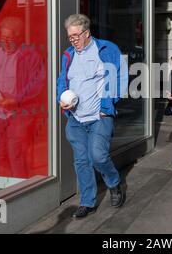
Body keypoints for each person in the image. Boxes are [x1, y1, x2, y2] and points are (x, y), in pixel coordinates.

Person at [57, 14, 128, 219]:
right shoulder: (68, 55)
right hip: (76, 120)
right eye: (70, 37)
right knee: (81, 162)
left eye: (76, 36)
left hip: (99, 116)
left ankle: (114, 183)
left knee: (98, 156)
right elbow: (62, 81)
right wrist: (60, 99)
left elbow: (120, 77)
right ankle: (87, 202)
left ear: (87, 33)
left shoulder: (106, 49)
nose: (73, 40)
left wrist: (108, 106)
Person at [0, 16, 46, 179]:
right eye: (3, 37)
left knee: (16, 154)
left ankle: (20, 186)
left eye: (9, 38)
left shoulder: (30, 56)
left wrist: (17, 99)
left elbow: (37, 85)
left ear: (19, 37)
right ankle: (12, 180)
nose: (5, 41)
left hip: (19, 114)